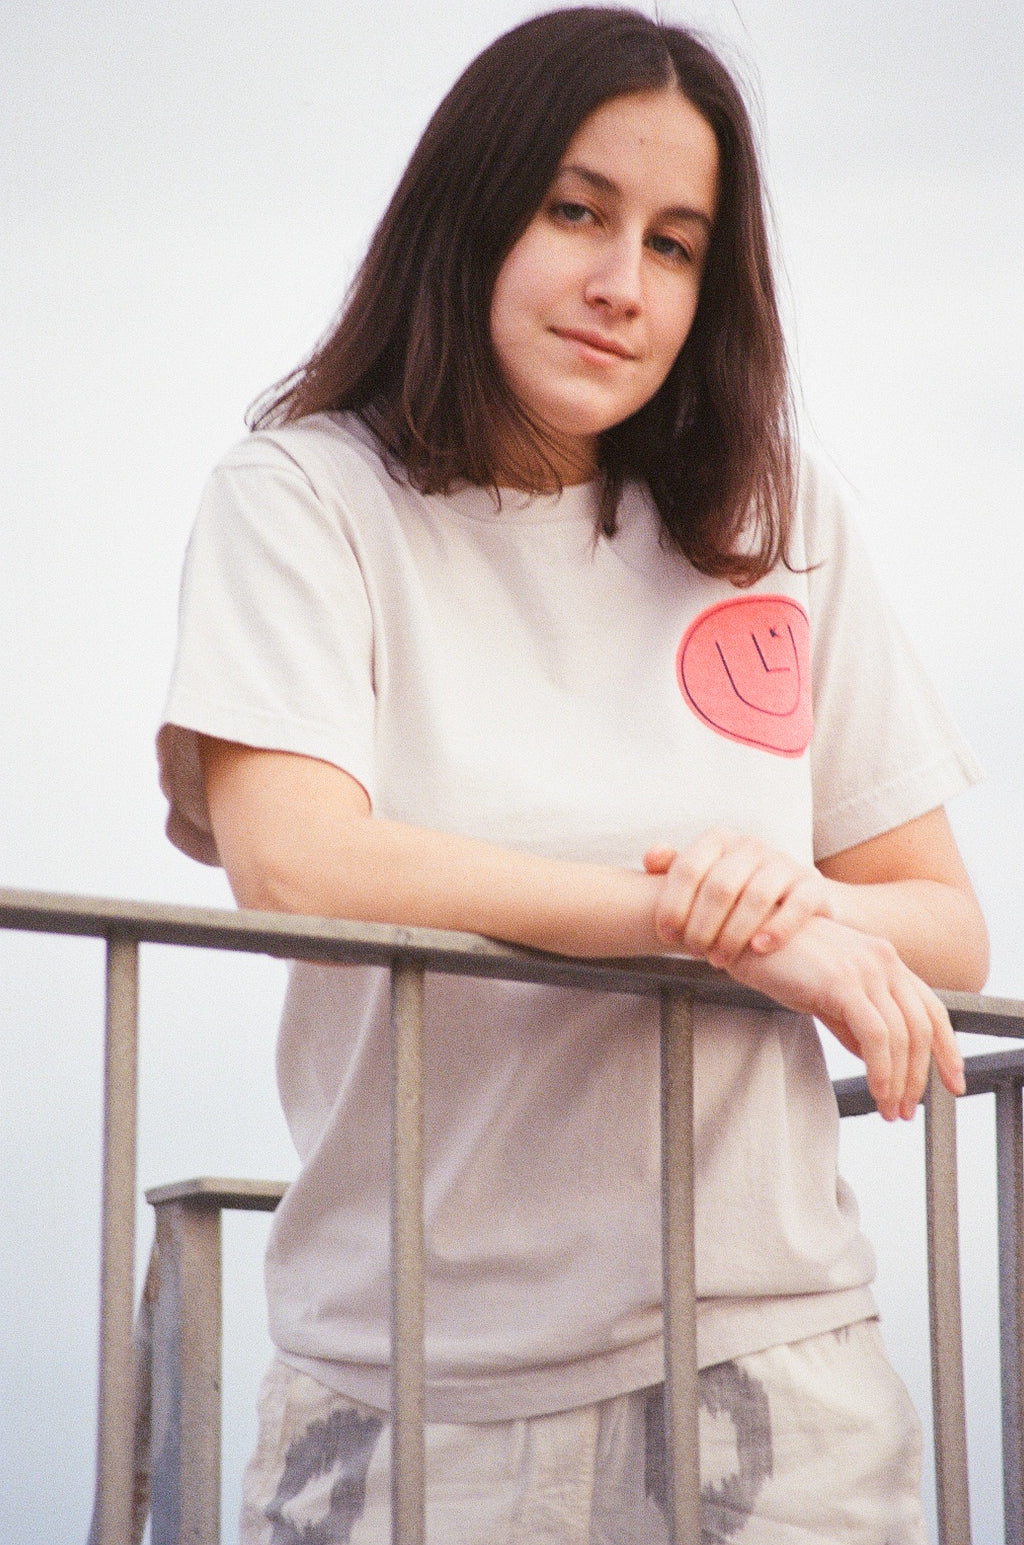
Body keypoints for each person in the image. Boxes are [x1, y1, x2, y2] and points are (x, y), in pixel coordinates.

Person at [158, 8, 988, 1541]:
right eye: (576, 211)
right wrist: (693, 915)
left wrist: (780, 895)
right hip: (410, 1390)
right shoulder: (302, 496)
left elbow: (944, 924)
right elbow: (296, 856)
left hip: (770, 1369)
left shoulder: (779, 512)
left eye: (676, 245)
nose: (622, 284)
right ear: (471, 214)